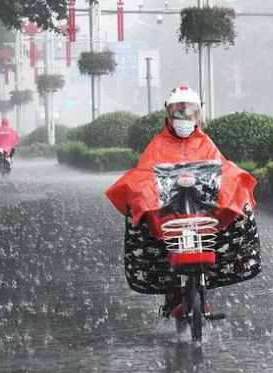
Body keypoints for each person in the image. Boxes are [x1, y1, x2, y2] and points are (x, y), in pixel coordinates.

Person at [105, 87, 260, 318]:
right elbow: (144, 176)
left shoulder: (205, 143)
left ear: (197, 115)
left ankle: (207, 279)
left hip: (201, 214)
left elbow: (221, 170)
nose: (183, 119)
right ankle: (172, 289)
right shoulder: (157, 144)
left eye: (188, 113)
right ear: (168, 115)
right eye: (178, 113)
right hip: (170, 216)